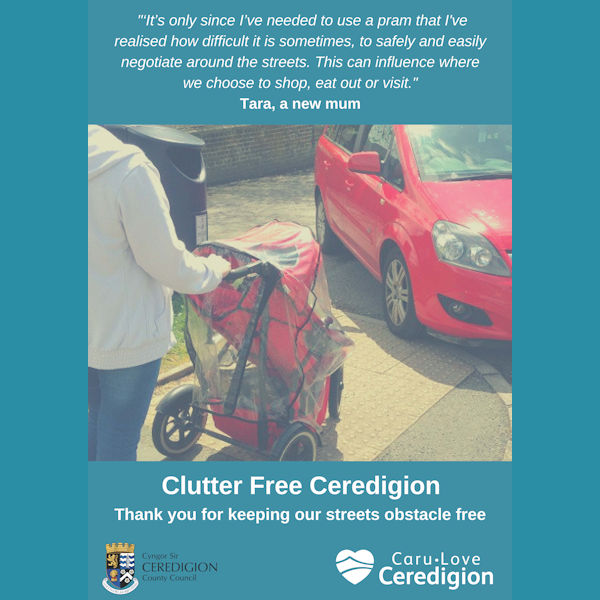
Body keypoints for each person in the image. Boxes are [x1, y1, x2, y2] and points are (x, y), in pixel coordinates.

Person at [88, 125, 231, 461]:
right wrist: (213, 270)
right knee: (118, 435)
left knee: (95, 420)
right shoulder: (128, 169)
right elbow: (166, 262)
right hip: (127, 339)